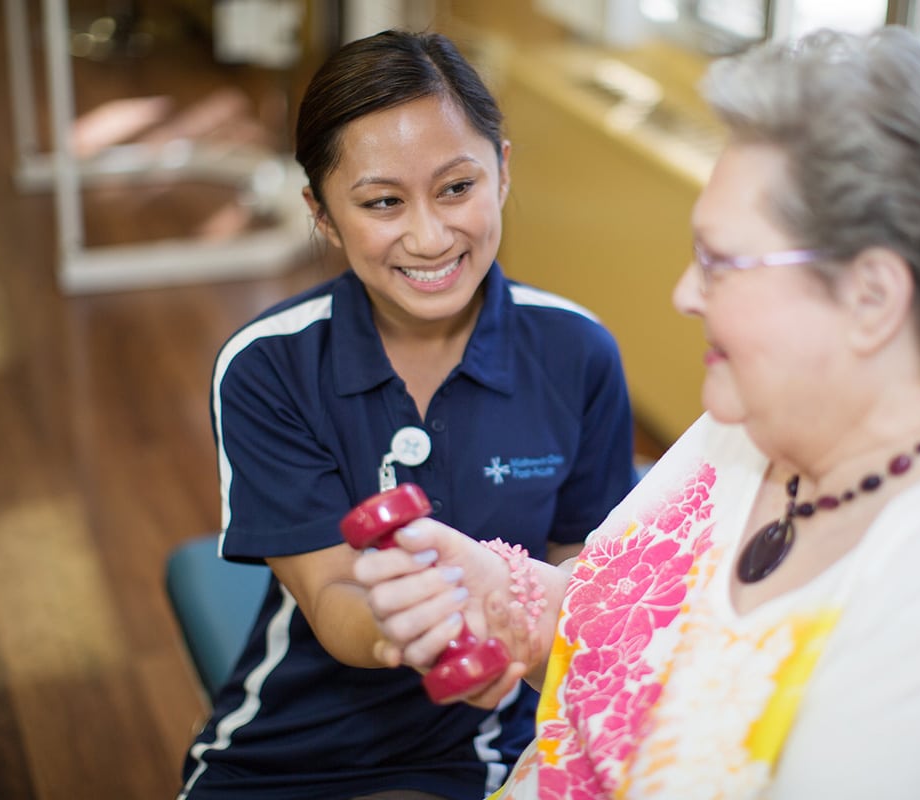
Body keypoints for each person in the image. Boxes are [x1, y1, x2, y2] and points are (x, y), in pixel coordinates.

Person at [352, 26, 920, 799]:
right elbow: (631, 640)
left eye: (722, 263)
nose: (684, 294)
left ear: (871, 297)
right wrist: (505, 594)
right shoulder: (757, 422)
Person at [177, 30, 637, 800]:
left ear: (503, 171)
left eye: (457, 187)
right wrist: (407, 627)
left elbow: (583, 569)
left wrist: (513, 625)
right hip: (293, 744)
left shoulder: (578, 352)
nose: (429, 237)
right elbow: (331, 597)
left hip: (492, 739)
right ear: (322, 213)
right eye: (383, 202)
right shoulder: (267, 365)